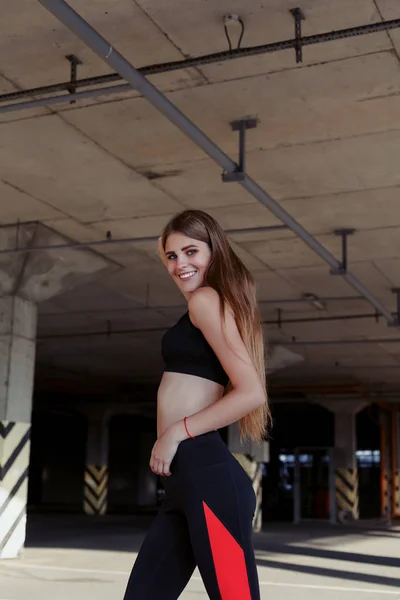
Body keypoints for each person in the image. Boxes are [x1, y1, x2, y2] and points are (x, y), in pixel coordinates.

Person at [123, 209, 271, 600]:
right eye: (171, 256)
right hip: (184, 484)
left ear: (214, 251)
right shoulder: (205, 302)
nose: (179, 264)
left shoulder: (206, 300)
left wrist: (176, 432)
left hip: (208, 478)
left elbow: (251, 392)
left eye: (191, 252)